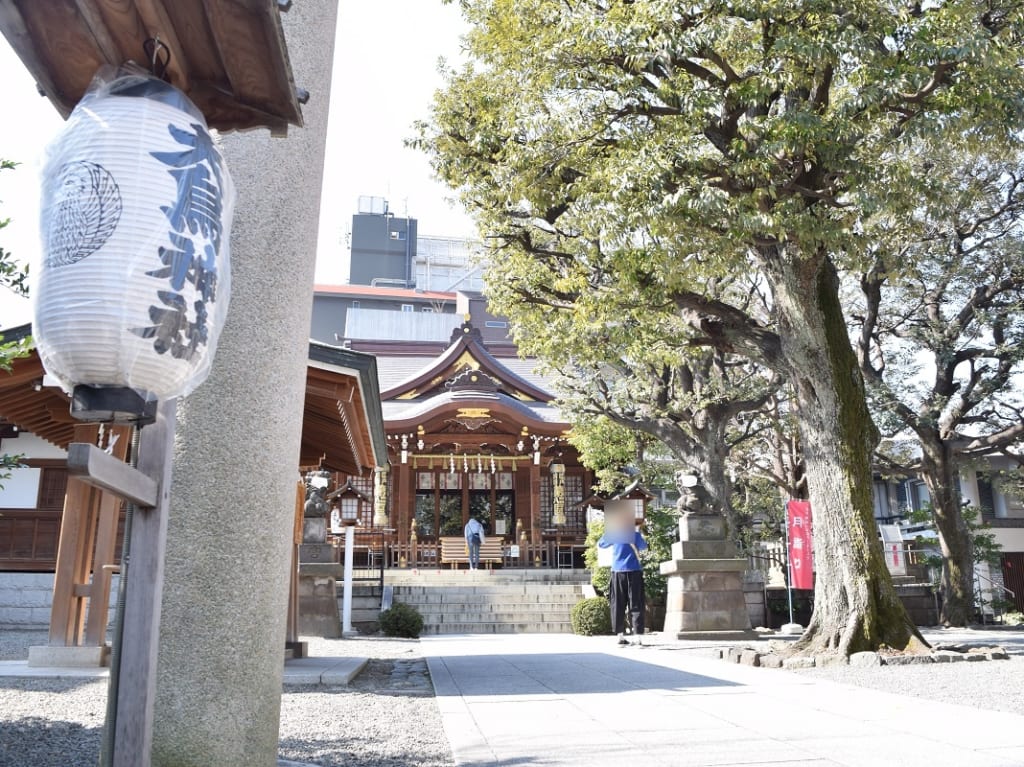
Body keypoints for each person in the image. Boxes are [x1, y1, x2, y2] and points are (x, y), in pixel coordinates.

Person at [598, 514, 648, 646]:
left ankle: (620, 636)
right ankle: (637, 636)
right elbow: (643, 547)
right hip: (634, 571)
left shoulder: (614, 534)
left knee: (618, 603)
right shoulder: (635, 535)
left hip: (618, 571)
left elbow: (601, 544)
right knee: (636, 603)